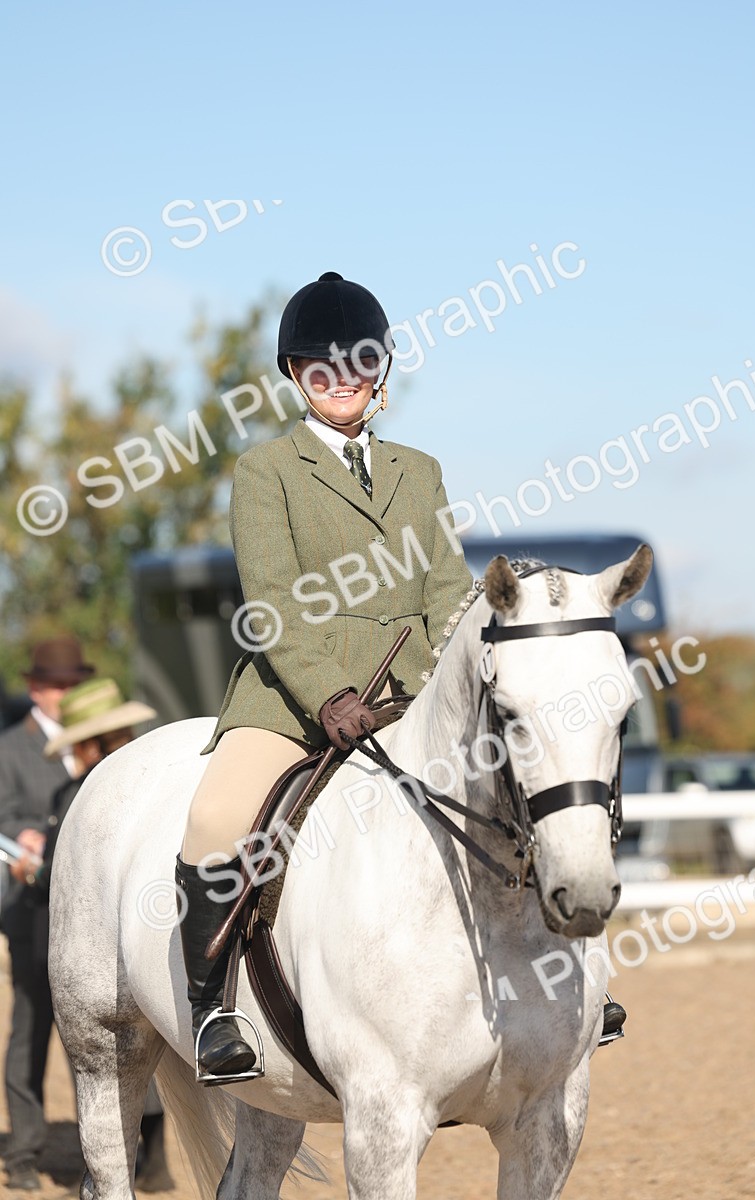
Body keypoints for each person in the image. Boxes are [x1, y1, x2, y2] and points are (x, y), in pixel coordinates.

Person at [176, 271, 474, 1082]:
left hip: (409, 690)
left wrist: (458, 667)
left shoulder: (421, 468)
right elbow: (271, 602)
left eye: (357, 367)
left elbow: (448, 586)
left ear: (380, 373)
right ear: (296, 378)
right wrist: (328, 694)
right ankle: (211, 1013)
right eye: (320, 371)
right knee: (217, 815)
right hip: (295, 698)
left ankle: (554, 985)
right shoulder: (265, 469)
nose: (340, 383)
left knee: (515, 787)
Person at [12, 677, 174, 1192]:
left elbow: (65, 876)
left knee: (100, 1056)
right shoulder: (161, 780)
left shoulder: (87, 797)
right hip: (159, 937)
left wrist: (31, 873)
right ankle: (157, 1159)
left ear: (87, 743)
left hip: (95, 948)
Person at [0, 636, 94, 1192]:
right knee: (31, 1027)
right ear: (37, 688)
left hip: (83, 906)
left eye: (75, 683)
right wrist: (25, 834)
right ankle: (24, 1149)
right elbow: (3, 814)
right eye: (61, 684)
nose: (68, 693)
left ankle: (106, 1147)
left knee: (91, 1029)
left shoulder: (93, 744)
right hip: (30, 903)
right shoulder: (12, 746)